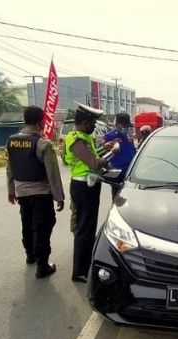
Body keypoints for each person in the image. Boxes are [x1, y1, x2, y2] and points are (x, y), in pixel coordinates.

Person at [6, 106, 65, 279]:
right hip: (41, 194)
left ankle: (30, 255)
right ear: (41, 121)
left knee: (27, 224)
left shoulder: (11, 141)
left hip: (22, 193)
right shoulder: (43, 144)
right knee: (42, 227)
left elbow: (9, 168)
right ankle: (42, 266)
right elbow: (52, 173)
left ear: (24, 120)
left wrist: (11, 190)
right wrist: (59, 197)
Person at [65, 102, 111, 283]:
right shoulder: (76, 138)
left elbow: (95, 157)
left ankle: (87, 263)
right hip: (82, 187)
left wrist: (105, 153)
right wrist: (107, 160)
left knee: (89, 226)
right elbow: (92, 162)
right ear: (84, 123)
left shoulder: (85, 137)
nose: (94, 127)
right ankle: (80, 271)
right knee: (84, 229)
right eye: (92, 123)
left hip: (90, 186)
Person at [103, 112, 136, 197]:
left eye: (127, 126)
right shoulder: (111, 136)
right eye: (124, 126)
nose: (126, 128)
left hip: (130, 170)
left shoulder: (126, 135)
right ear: (117, 124)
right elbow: (104, 147)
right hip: (118, 171)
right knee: (118, 195)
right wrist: (107, 146)